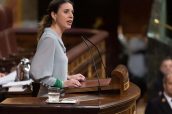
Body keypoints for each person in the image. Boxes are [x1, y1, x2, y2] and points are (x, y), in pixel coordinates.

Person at [30, 0, 85, 96]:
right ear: (54, 15)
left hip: (56, 99)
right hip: (48, 101)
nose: (71, 15)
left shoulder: (55, 37)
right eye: (66, 11)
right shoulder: (49, 39)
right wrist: (63, 83)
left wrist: (68, 77)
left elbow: (52, 72)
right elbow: (39, 75)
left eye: (72, 12)